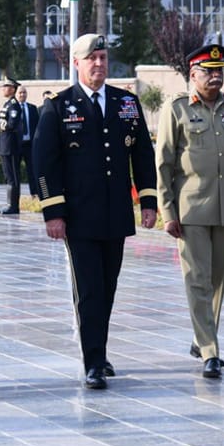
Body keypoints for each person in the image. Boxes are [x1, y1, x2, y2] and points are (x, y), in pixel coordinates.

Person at [32, 33, 157, 390]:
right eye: (92, 59)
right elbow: (44, 164)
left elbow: (143, 155)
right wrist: (52, 212)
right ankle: (93, 362)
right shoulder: (59, 106)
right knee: (88, 289)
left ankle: (99, 351)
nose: (99, 64)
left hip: (116, 212)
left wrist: (148, 201)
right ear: (76, 63)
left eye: (103, 57)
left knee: (109, 286)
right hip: (79, 216)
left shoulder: (126, 103)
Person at [156, 43, 224, 379]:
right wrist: (167, 212)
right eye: (209, 72)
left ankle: (200, 338)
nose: (216, 77)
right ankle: (210, 352)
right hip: (191, 209)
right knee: (197, 281)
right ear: (193, 74)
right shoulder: (177, 110)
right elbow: (163, 164)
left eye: (219, 71)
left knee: (217, 281)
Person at [0, 77, 22, 214]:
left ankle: (13, 206)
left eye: (5, 86)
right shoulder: (7, 104)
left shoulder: (13, 105)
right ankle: (10, 204)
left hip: (11, 145)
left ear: (12, 89)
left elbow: (12, 124)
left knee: (13, 176)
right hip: (5, 144)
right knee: (8, 176)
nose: (3, 89)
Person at [15, 84, 39, 196]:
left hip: (30, 144)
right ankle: (15, 197)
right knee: (15, 172)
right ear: (16, 94)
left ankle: (34, 194)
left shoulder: (33, 108)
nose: (22, 95)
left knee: (32, 170)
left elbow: (38, 126)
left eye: (24, 92)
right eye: (20, 92)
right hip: (17, 145)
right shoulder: (13, 108)